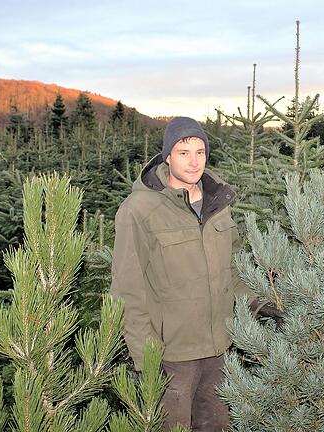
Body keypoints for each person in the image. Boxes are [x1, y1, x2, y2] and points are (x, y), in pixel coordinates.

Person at [110, 117, 280, 431]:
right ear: (167, 157)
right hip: (172, 357)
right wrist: (146, 360)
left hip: (219, 349)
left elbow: (233, 274)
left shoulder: (218, 204)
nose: (193, 161)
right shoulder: (139, 210)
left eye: (200, 152)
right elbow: (127, 291)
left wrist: (269, 302)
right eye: (183, 152)